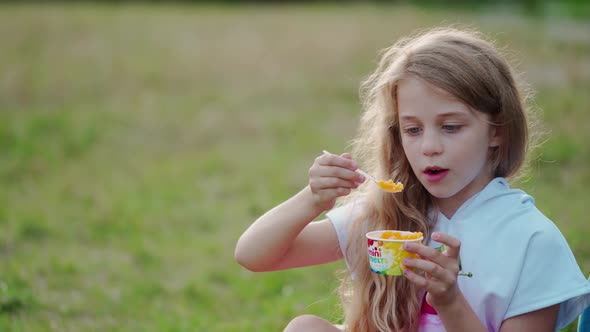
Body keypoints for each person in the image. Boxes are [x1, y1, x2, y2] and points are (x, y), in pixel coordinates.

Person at [234, 26, 590, 332]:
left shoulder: (531, 241)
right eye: (413, 129)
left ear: (497, 129)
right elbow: (254, 255)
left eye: (451, 127)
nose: (429, 147)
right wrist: (312, 199)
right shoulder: (388, 215)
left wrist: (450, 301)